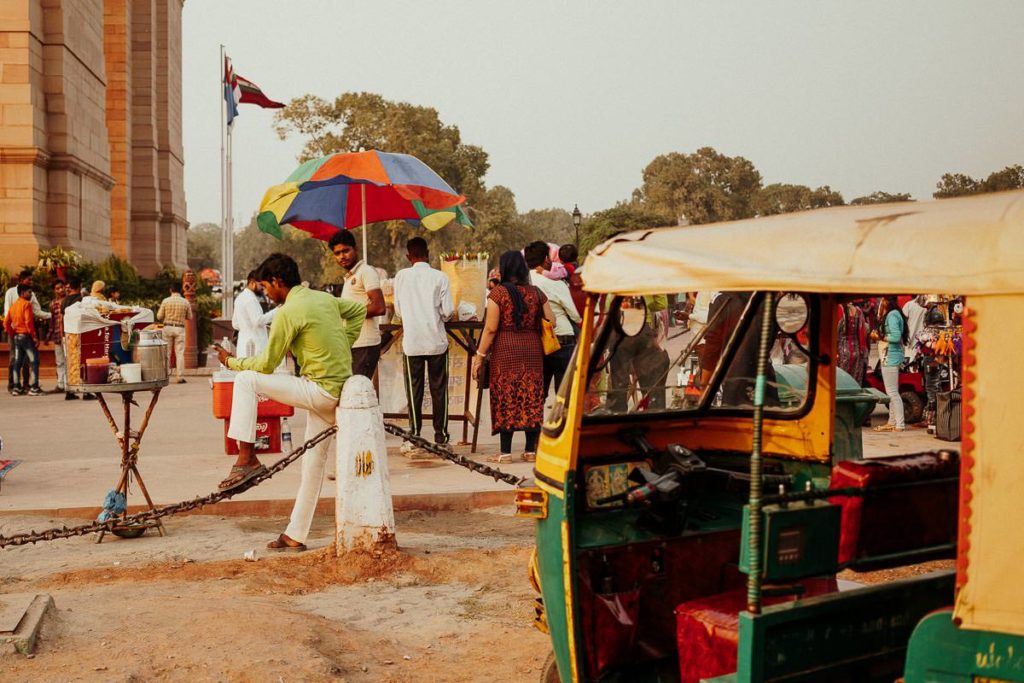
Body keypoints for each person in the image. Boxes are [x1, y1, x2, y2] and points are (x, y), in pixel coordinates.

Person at [215, 253, 365, 551]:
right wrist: (341, 342)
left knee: (245, 380)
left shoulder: (288, 311)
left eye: (266, 287)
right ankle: (295, 534)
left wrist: (231, 361)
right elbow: (359, 312)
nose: (266, 294)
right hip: (335, 391)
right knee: (312, 465)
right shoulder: (323, 299)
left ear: (278, 281)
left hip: (319, 390)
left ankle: (246, 459)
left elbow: (267, 364)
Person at [472, 251, 555, 463]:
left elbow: (490, 329)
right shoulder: (537, 292)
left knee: (506, 394)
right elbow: (552, 320)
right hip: (532, 350)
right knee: (531, 395)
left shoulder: (498, 294)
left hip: (505, 349)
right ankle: (529, 451)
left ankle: (506, 453)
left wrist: (479, 356)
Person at [393, 237, 454, 449]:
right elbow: (448, 312)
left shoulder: (401, 277)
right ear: (428, 253)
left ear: (408, 256)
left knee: (414, 390)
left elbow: (399, 311)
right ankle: (441, 436)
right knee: (439, 390)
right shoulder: (441, 277)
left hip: (413, 343)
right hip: (437, 342)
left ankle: (415, 434)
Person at [525, 241, 581, 393]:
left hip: (534, 342)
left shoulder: (523, 284)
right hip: (561, 340)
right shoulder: (555, 284)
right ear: (545, 259)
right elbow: (576, 315)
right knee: (564, 395)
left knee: (537, 394)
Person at [329, 230, 386, 378]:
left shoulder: (366, 272)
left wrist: (349, 313)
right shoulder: (349, 277)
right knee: (354, 393)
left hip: (365, 344)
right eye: (337, 253)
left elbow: (379, 307)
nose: (342, 256)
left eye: (346, 251)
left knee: (357, 393)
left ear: (356, 249)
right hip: (354, 344)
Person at [608, 295, 671, 412]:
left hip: (620, 329)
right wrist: (645, 306)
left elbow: (609, 305)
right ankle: (654, 416)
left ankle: (617, 417)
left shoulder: (614, 278)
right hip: (643, 330)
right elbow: (661, 303)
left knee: (619, 381)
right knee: (650, 381)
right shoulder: (646, 277)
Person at [4, 270, 50, 394]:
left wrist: (12, 332)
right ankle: (32, 387)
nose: (31, 282)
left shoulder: (17, 304)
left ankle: (19, 387)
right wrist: (34, 337)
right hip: (24, 334)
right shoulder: (21, 300)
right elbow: (29, 322)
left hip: (16, 335)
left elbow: (6, 319)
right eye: (28, 280)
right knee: (33, 360)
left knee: (20, 361)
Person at [871, 296, 907, 432]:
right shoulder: (895, 313)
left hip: (890, 355)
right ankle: (892, 422)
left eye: (882, 300)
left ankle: (899, 424)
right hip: (891, 355)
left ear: (886, 301)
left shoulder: (892, 315)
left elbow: (896, 337)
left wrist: (879, 337)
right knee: (891, 390)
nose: (880, 303)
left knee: (892, 391)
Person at [232, 271, 277, 358]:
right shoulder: (250, 299)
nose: (262, 288)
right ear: (252, 283)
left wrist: (246, 328)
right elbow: (258, 321)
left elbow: (235, 324)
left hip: (243, 346)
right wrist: (277, 311)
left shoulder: (240, 298)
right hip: (254, 348)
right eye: (261, 285)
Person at [157, 281, 192, 384]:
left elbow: (159, 316)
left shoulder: (165, 301)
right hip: (180, 328)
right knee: (180, 353)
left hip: (167, 327)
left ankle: (165, 376)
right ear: (180, 290)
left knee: (166, 353)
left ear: (170, 290)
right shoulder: (185, 302)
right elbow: (190, 317)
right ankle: (180, 377)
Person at [836, 301, 870, 385]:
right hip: (857, 351)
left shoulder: (838, 309)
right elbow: (863, 333)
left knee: (841, 383)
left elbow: (834, 333)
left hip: (841, 353)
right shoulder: (858, 310)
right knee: (855, 382)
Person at [48, 280, 70, 397]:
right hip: (57, 336)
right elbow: (52, 321)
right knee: (60, 362)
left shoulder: (69, 301)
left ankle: (68, 385)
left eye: (61, 287)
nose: (60, 290)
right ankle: (60, 384)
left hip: (67, 336)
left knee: (68, 361)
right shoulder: (53, 303)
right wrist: (48, 336)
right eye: (57, 288)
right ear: (54, 290)